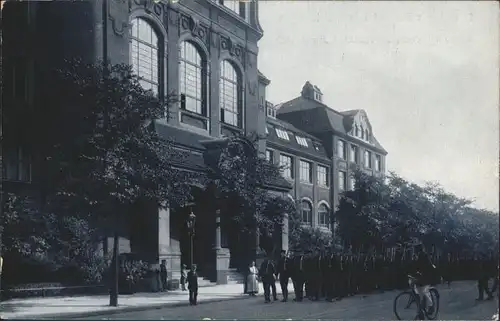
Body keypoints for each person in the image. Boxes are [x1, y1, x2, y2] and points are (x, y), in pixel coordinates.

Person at [412, 242, 437, 317]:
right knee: (420, 291)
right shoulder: (422, 255)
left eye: (415, 249)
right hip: (426, 276)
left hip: (427, 277)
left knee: (420, 291)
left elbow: (418, 266)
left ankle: (425, 309)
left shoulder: (422, 256)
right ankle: (423, 309)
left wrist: (414, 272)